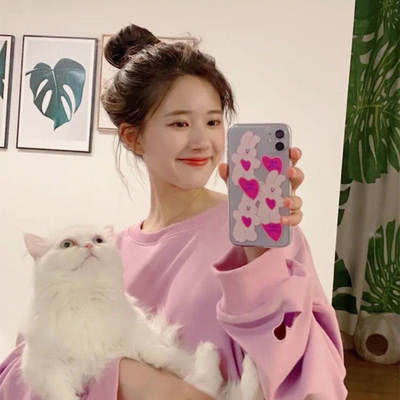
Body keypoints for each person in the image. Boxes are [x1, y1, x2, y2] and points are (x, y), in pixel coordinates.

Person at [0, 23, 347, 400]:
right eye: (180, 123)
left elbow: (317, 385)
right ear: (133, 137)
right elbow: (23, 377)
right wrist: (127, 378)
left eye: (213, 121)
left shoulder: (267, 240)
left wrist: (262, 263)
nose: (202, 141)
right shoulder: (106, 254)